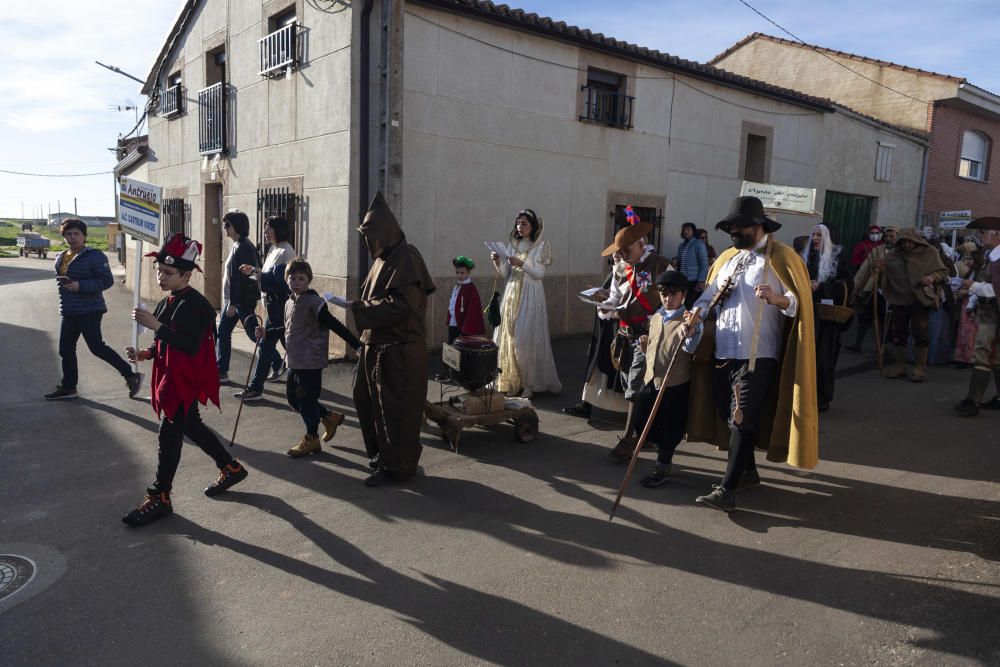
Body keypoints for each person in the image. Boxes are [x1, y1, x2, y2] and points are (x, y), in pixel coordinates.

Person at [686, 196, 818, 513]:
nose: (734, 232)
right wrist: (696, 314)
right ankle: (748, 472)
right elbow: (705, 299)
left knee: (741, 418)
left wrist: (776, 298)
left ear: (758, 226)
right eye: (731, 227)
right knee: (726, 414)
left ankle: (727, 490)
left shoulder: (781, 258)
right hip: (724, 350)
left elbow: (798, 303)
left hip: (759, 354)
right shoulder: (728, 259)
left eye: (740, 227)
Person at [122, 233, 248, 527]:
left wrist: (155, 326)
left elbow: (190, 345)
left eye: (168, 272)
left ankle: (160, 497)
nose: (160, 276)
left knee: (169, 436)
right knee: (193, 426)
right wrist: (146, 352)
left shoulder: (196, 305)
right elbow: (164, 340)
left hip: (184, 381)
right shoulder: (170, 300)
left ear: (187, 274)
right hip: (170, 375)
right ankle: (231, 468)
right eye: (158, 270)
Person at [350, 192, 436, 487]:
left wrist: (362, 311)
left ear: (384, 233)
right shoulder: (381, 259)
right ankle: (383, 456)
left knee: (396, 410)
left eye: (370, 235)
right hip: (375, 345)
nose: (367, 242)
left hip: (400, 349)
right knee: (366, 400)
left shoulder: (407, 257)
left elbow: (404, 304)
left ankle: (398, 466)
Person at [262, 259, 362, 456]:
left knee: (307, 401)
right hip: (294, 360)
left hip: (310, 362)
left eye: (301, 278)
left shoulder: (315, 304)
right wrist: (267, 333)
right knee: (293, 399)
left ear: (309, 280)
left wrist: (356, 344)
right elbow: (287, 329)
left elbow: (335, 325)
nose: (296, 282)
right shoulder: (289, 302)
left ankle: (312, 438)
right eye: (292, 278)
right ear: (286, 280)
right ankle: (329, 416)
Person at [45, 217, 144, 401]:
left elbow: (106, 281)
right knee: (65, 349)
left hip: (90, 310)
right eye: (68, 234)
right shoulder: (61, 257)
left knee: (97, 347)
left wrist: (80, 286)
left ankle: (131, 375)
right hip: (69, 311)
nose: (72, 237)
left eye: (76, 233)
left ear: (84, 236)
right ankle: (69, 387)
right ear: (64, 236)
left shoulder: (95, 256)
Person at [599, 217, 672, 461]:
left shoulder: (661, 265)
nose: (622, 255)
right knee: (631, 382)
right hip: (624, 333)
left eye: (626, 250)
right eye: (619, 251)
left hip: (647, 335)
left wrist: (661, 324)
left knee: (635, 388)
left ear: (641, 244)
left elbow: (674, 298)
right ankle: (648, 435)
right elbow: (615, 298)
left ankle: (629, 439)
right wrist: (603, 303)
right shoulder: (620, 267)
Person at [631, 271, 703, 485]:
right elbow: (656, 347)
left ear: (683, 295)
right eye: (663, 294)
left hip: (674, 384)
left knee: (671, 427)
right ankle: (659, 450)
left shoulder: (689, 321)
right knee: (642, 420)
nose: (667, 299)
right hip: (651, 379)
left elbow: (690, 348)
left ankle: (663, 464)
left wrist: (691, 332)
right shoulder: (656, 317)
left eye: (673, 295)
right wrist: (645, 350)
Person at [491, 209, 562, 398]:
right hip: (512, 293)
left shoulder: (540, 246)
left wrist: (522, 264)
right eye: (518, 223)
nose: (520, 227)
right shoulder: (513, 245)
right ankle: (510, 380)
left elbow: (539, 274)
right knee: (508, 336)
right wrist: (498, 262)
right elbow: (505, 274)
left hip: (530, 296)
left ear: (532, 226)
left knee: (525, 339)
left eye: (524, 224)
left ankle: (530, 383)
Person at [873, 228, 948, 382]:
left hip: (920, 299)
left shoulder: (930, 252)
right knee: (898, 333)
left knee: (920, 332)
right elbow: (886, 272)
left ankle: (920, 367)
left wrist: (932, 277)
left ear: (916, 240)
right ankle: (901, 365)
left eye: (910, 241)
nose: (907, 244)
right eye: (903, 241)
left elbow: (943, 272)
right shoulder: (893, 255)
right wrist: (880, 269)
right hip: (898, 299)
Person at [234, 215, 297, 401]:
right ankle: (301, 382)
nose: (265, 232)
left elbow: (281, 281)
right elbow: (265, 276)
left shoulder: (286, 251)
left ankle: (255, 388)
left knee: (265, 345)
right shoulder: (273, 249)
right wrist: (253, 272)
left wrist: (255, 272)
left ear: (278, 229)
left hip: (279, 306)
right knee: (290, 348)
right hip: (272, 306)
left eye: (268, 228)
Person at [563, 253, 629, 419]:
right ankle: (587, 404)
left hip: (618, 329)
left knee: (616, 368)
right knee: (595, 365)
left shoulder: (633, 272)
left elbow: (628, 300)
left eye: (621, 251)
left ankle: (630, 414)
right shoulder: (615, 271)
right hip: (604, 327)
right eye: (615, 251)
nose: (616, 255)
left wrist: (607, 297)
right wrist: (604, 295)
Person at [801, 223, 851, 412]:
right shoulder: (807, 258)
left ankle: (821, 397)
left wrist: (821, 287)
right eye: (813, 234)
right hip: (808, 315)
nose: (815, 238)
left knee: (824, 358)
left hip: (828, 319)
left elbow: (846, 285)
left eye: (819, 236)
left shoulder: (839, 259)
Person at [954, 225, 1000, 416]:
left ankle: (973, 401)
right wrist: (973, 301)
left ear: (997, 234)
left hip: (994, 315)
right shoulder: (991, 257)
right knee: (996, 359)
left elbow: (995, 290)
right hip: (989, 312)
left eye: (983, 232)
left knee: (983, 355)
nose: (980, 236)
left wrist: (974, 286)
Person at [216, 211, 261, 383]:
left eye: (227, 225)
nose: (224, 228)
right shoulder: (239, 245)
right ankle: (221, 370)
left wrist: (233, 303)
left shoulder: (243, 246)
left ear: (237, 227)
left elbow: (241, 278)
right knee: (224, 331)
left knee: (253, 334)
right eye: (224, 224)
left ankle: (276, 361)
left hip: (241, 301)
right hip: (236, 300)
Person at [436, 255, 485, 381]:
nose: (459, 275)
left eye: (462, 273)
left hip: (463, 325)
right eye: (457, 273)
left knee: (461, 350)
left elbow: (473, 310)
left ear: (468, 273)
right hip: (454, 323)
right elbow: (453, 303)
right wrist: (449, 318)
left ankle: (460, 374)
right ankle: (449, 372)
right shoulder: (458, 286)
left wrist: (466, 327)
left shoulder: (471, 288)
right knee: (451, 347)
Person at [676, 222, 708, 308]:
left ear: (693, 231)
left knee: (690, 304)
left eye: (688, 230)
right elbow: (679, 262)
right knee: (680, 302)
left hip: (694, 280)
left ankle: (689, 321)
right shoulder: (681, 245)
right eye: (684, 230)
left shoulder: (699, 244)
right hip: (682, 279)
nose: (686, 232)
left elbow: (704, 263)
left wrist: (701, 280)